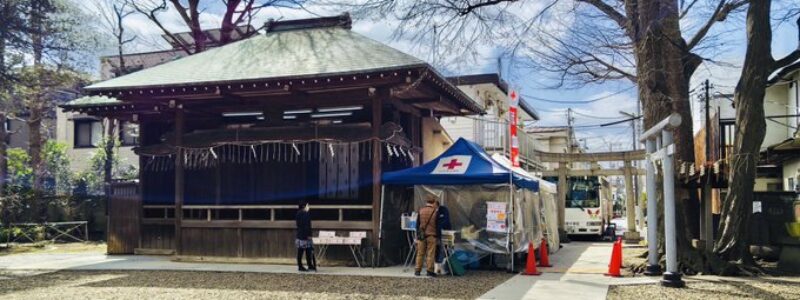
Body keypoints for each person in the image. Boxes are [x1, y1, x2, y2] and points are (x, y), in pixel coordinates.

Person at [415, 196, 438, 277]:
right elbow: (437, 224)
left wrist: (417, 234)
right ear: (433, 202)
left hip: (422, 235)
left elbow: (417, 224)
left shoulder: (421, 210)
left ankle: (417, 270)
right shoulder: (435, 211)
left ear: (426, 202)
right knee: (430, 253)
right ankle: (429, 270)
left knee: (420, 253)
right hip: (431, 235)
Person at [295, 202, 316, 272]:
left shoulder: (298, 213)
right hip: (305, 235)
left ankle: (300, 265)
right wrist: (309, 235)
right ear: (304, 206)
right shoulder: (305, 214)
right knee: (307, 251)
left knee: (301, 251)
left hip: (300, 234)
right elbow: (307, 225)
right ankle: (309, 265)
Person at [435, 199, 452, 265]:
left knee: (445, 247)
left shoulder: (444, 209)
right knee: (437, 247)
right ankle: (436, 262)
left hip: (445, 231)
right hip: (436, 232)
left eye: (434, 205)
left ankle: (443, 262)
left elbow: (446, 220)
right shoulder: (432, 210)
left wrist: (439, 227)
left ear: (437, 204)